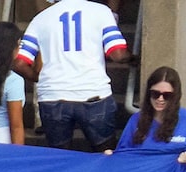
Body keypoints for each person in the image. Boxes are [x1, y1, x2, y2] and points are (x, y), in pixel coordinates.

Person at [13, 0, 122, 146]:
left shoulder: (41, 18)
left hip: (52, 97)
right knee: (106, 153)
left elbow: (19, 63)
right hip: (94, 93)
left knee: (59, 157)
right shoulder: (102, 11)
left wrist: (39, 78)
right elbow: (118, 54)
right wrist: (135, 58)